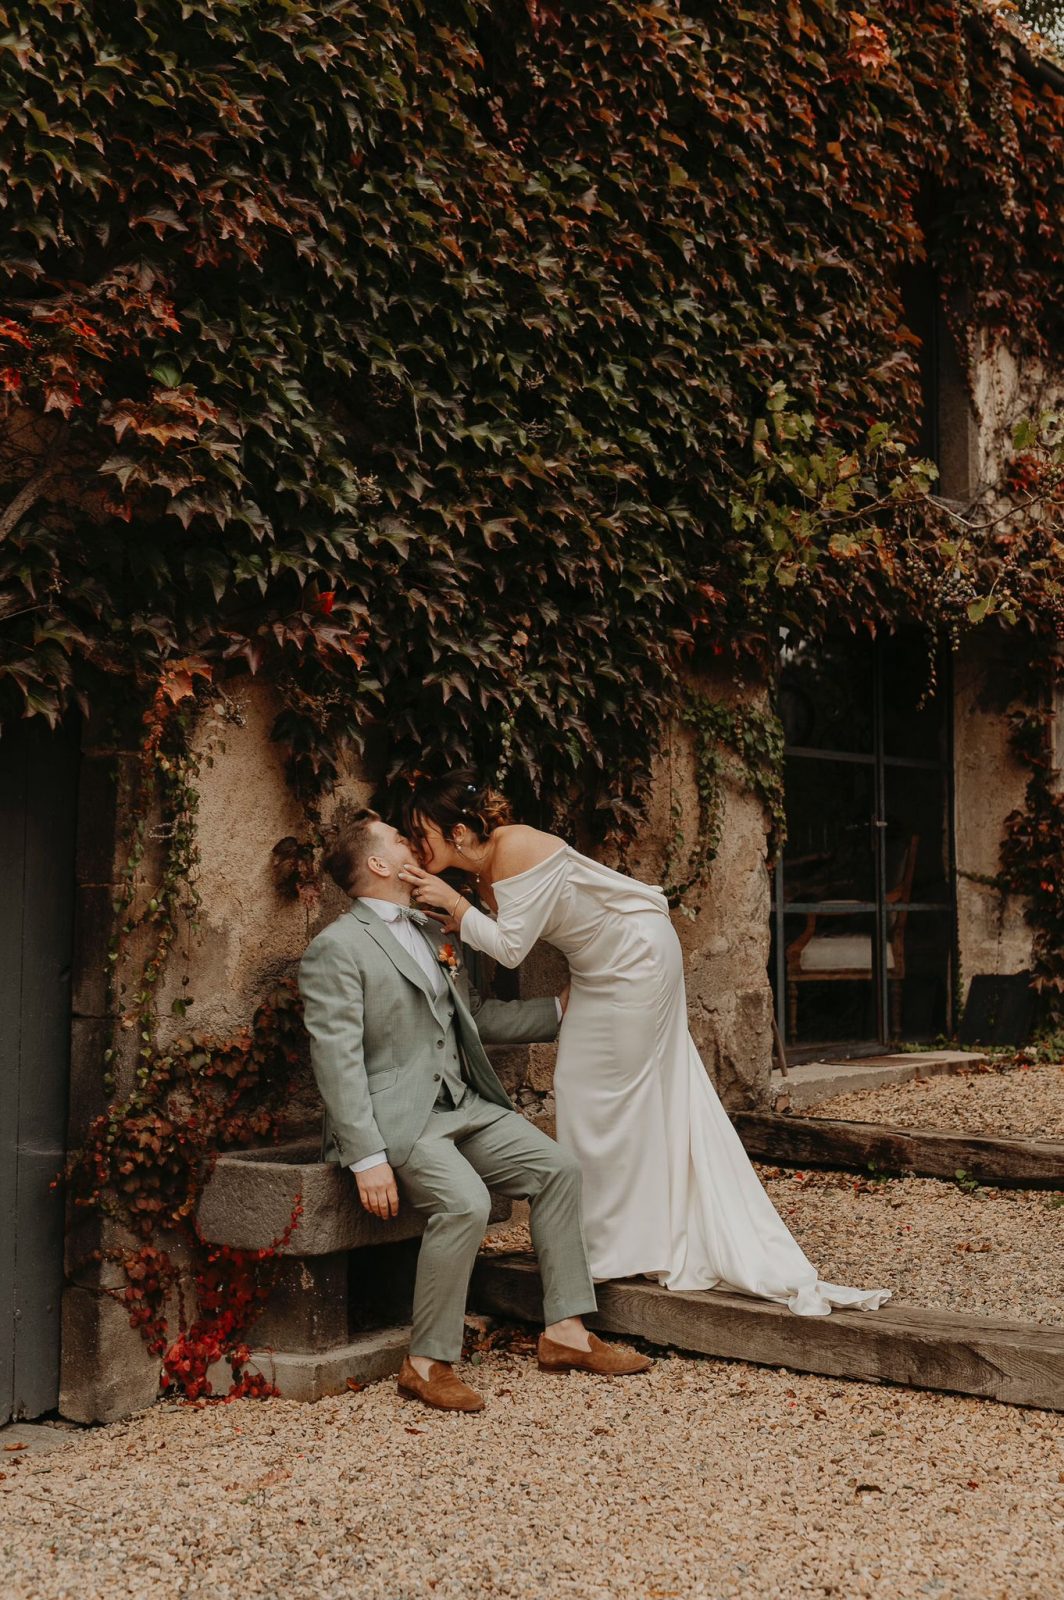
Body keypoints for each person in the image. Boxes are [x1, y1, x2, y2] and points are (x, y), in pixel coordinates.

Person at [398, 773, 891, 1314]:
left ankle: (610, 1247)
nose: (416, 847)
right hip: (600, 965)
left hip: (633, 960)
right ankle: (624, 1236)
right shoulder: (485, 863)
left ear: (461, 832)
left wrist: (456, 904)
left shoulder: (511, 849)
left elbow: (511, 949)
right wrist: (459, 906)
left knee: (606, 1092)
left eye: (422, 834)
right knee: (589, 1087)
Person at [298, 808, 652, 1414]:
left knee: (557, 1170)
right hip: (398, 1119)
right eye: (399, 841)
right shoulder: (336, 949)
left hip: (464, 1103)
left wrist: (564, 1011)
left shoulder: (437, 931)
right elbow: (337, 1061)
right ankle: (426, 1362)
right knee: (466, 1202)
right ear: (380, 864)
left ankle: (564, 1332)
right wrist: (366, 1158)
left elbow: (476, 1018)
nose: (415, 846)